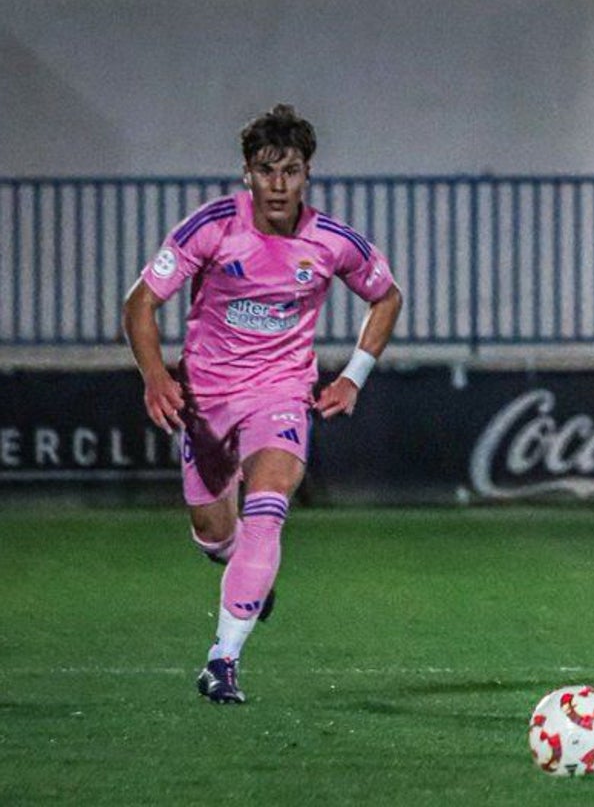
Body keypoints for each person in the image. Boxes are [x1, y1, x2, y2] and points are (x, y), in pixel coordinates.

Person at [122, 104, 402, 704]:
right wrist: (154, 377)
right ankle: (246, 574)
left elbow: (386, 297)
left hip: (280, 394)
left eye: (291, 171)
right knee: (214, 530)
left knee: (268, 508)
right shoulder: (213, 226)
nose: (278, 184)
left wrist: (353, 376)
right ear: (246, 173)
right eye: (265, 170)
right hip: (206, 400)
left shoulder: (333, 242)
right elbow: (140, 302)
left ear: (308, 174)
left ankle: (222, 659)